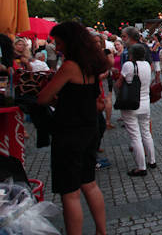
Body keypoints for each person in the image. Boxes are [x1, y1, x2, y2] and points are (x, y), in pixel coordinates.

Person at [37, 22, 108, 235]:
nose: (57, 47)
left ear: (70, 42)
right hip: (90, 128)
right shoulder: (92, 65)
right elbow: (86, 99)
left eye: (59, 43)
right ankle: (101, 231)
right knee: (90, 184)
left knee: (70, 193)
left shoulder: (69, 66)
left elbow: (43, 98)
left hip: (69, 133)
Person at [116, 44, 157, 177]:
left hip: (132, 103)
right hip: (145, 103)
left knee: (135, 136)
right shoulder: (147, 65)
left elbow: (119, 83)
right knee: (146, 133)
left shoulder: (128, 65)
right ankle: (152, 161)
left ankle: (141, 167)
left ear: (131, 54)